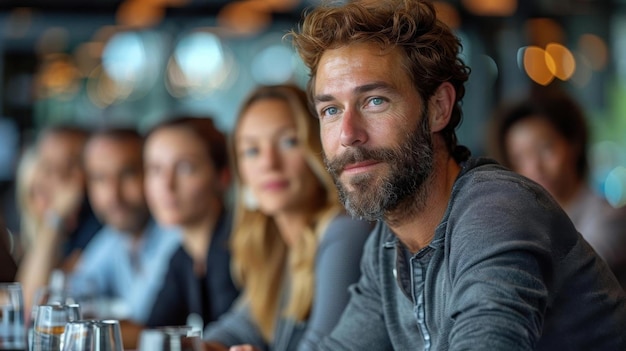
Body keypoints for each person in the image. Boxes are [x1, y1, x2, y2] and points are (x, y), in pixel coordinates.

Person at [288, 0, 626, 350]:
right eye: (330, 110)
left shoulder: (495, 212)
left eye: (375, 101)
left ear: (438, 108)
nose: (348, 134)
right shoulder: (390, 245)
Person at [202, 84, 372, 351]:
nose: (269, 163)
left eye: (288, 142)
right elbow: (236, 329)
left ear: (319, 148)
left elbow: (322, 347)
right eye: (252, 150)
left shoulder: (346, 231)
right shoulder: (278, 245)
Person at [491, 90, 626, 288]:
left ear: (573, 143)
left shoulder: (608, 218)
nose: (534, 167)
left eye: (545, 148)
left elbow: (576, 277)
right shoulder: (522, 222)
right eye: (520, 158)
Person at [66, 128, 181, 322]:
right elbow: (69, 297)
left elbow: (147, 323)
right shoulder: (114, 237)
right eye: (100, 178)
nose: (114, 195)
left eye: (127, 174)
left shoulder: (176, 234)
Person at [142, 116, 240, 329]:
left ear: (223, 176)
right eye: (155, 169)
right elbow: (154, 330)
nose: (166, 185)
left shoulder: (239, 246)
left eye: (185, 168)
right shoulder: (183, 256)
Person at [16, 125, 102, 315]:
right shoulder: (60, 225)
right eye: (48, 165)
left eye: (69, 165)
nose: (56, 177)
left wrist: (55, 218)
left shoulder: (99, 224)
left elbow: (31, 305)